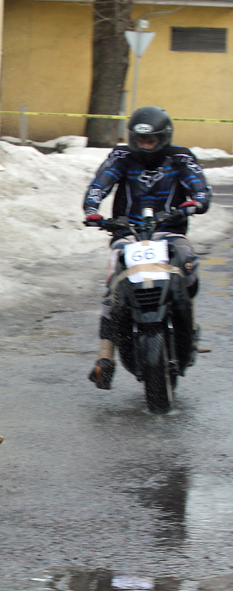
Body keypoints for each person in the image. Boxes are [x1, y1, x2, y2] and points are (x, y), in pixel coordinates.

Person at [83, 105, 211, 389]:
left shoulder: (180, 157)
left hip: (169, 232)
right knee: (114, 280)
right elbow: (100, 183)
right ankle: (105, 358)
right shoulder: (121, 156)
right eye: (140, 140)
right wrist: (92, 209)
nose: (145, 145)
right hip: (128, 233)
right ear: (131, 138)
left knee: (187, 260)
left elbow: (200, 187)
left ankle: (189, 325)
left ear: (164, 138)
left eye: (151, 140)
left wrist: (196, 202)